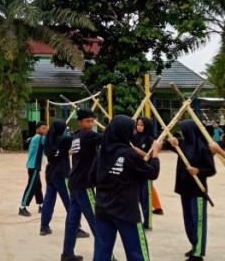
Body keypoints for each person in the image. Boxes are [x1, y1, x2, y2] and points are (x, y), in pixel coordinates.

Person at [90, 115, 162, 261]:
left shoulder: (101, 153)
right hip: (127, 211)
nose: (134, 132)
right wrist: (155, 154)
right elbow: (152, 173)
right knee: (136, 252)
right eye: (132, 128)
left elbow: (92, 179)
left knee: (101, 252)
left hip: (103, 208)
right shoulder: (129, 155)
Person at [167, 120, 216, 261]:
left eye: (183, 130)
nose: (181, 133)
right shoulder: (182, 144)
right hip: (184, 189)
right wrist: (172, 141)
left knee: (198, 222)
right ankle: (195, 245)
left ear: (190, 131)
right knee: (188, 221)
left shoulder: (203, 148)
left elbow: (211, 170)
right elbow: (166, 143)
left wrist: (198, 170)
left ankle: (198, 253)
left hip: (197, 191)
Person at [61, 108, 102, 261]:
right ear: (80, 122)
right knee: (98, 222)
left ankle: (67, 254)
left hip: (74, 183)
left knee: (72, 221)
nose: (91, 124)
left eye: (92, 121)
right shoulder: (87, 135)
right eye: (87, 121)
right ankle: (105, 256)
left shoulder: (77, 136)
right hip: (84, 185)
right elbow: (106, 138)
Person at [39, 119, 88, 239]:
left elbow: (59, 152)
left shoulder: (49, 140)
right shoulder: (62, 140)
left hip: (50, 173)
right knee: (70, 201)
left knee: (48, 201)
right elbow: (78, 137)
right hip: (61, 174)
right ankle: (76, 228)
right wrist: (82, 128)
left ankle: (44, 227)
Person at [19, 121, 48, 217]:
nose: (45, 130)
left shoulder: (33, 138)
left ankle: (41, 205)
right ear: (38, 129)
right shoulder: (40, 138)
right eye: (43, 128)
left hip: (33, 166)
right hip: (34, 166)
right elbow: (49, 144)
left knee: (37, 186)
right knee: (31, 187)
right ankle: (22, 207)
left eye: (46, 128)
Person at [131, 117, 155, 230]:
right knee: (137, 197)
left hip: (146, 170)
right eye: (138, 125)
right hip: (135, 170)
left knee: (146, 198)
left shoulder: (150, 139)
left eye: (142, 125)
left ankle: (148, 222)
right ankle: (138, 220)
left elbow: (149, 155)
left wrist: (135, 149)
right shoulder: (134, 137)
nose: (139, 127)